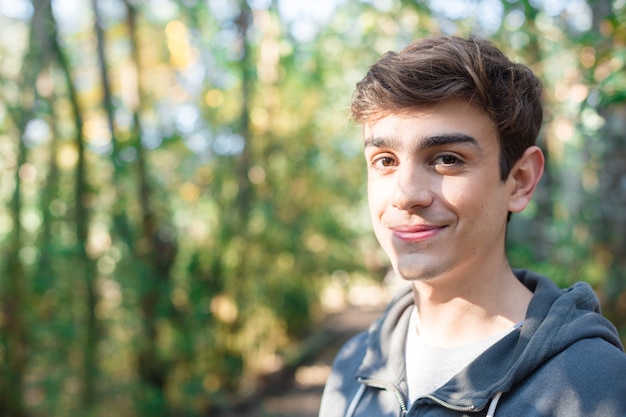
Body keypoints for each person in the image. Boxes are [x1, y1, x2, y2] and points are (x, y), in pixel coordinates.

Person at [318, 36, 626, 417]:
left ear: (520, 181)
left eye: (446, 159)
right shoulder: (353, 368)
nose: (406, 195)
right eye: (385, 160)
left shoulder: (596, 385)